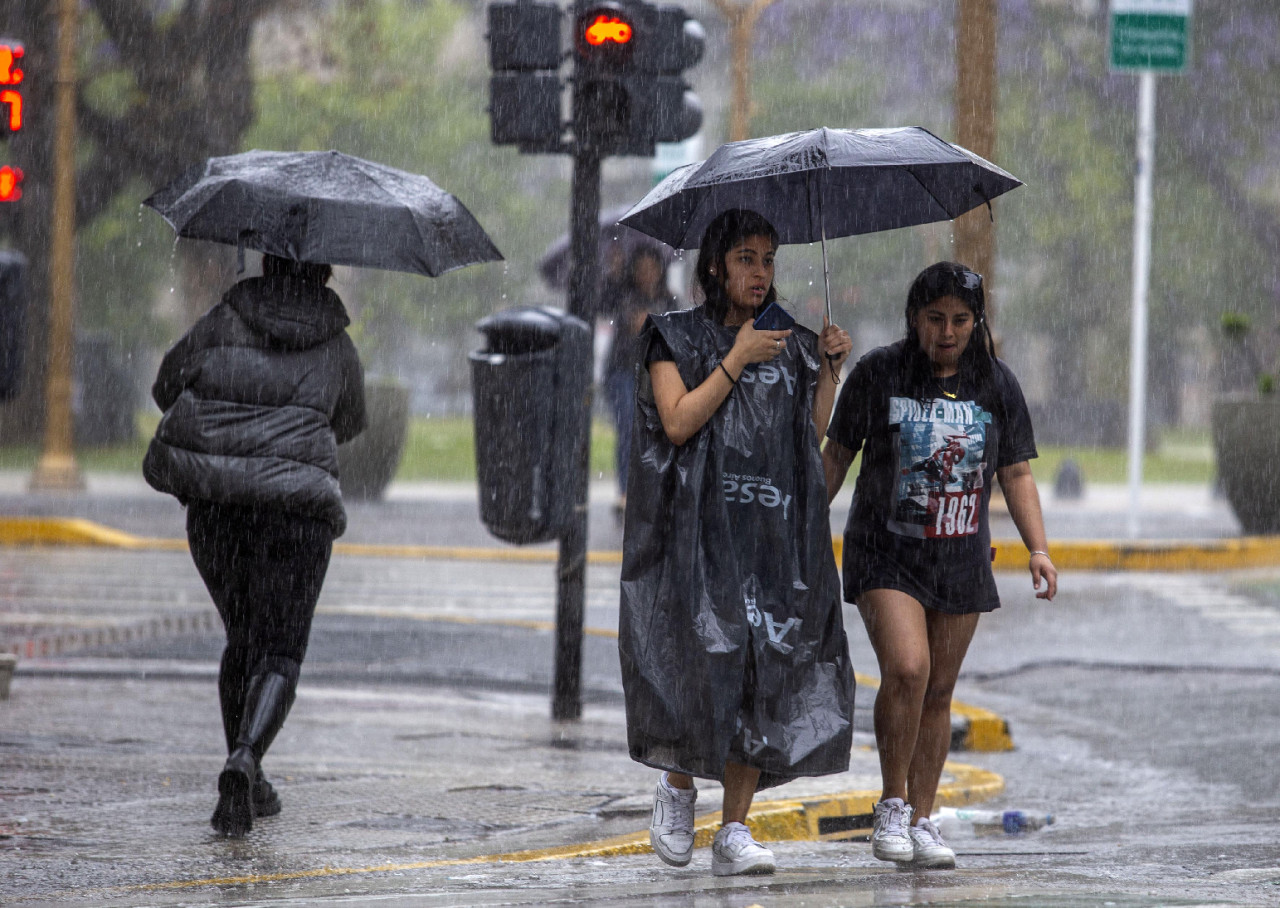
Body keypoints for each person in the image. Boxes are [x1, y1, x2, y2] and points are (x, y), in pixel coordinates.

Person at [619, 208, 856, 877]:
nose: (760, 272)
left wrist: (830, 371)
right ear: (717, 266)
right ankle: (676, 788)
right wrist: (736, 358)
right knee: (698, 669)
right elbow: (676, 423)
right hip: (694, 540)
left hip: (769, 540)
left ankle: (734, 829)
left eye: (770, 259)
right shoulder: (670, 336)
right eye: (747, 258)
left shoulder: (792, 341)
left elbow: (804, 438)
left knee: (762, 671)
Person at [821, 261, 1058, 870]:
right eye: (935, 319)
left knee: (940, 688)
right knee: (907, 668)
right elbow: (836, 457)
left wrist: (1038, 548)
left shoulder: (995, 384)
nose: (947, 332)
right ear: (913, 318)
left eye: (960, 320)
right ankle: (893, 807)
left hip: (960, 557)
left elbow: (1017, 472)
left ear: (977, 323)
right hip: (885, 553)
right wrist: (794, 526)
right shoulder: (879, 373)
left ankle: (924, 819)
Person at [143, 254, 366, 837]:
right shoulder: (337, 345)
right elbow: (351, 421)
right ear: (323, 273)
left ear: (265, 262)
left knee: (242, 636)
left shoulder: (221, 321)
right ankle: (245, 757)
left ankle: (246, 773)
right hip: (297, 514)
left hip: (218, 509)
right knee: (280, 648)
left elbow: (166, 385)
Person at [604, 245, 677, 515]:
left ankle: (652, 487)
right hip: (622, 371)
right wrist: (613, 274)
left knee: (655, 430)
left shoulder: (668, 300)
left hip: (656, 372)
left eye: (652, 268)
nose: (647, 274)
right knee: (628, 427)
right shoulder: (623, 294)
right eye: (641, 268)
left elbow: (676, 336)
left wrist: (652, 327)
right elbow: (601, 304)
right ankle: (625, 492)